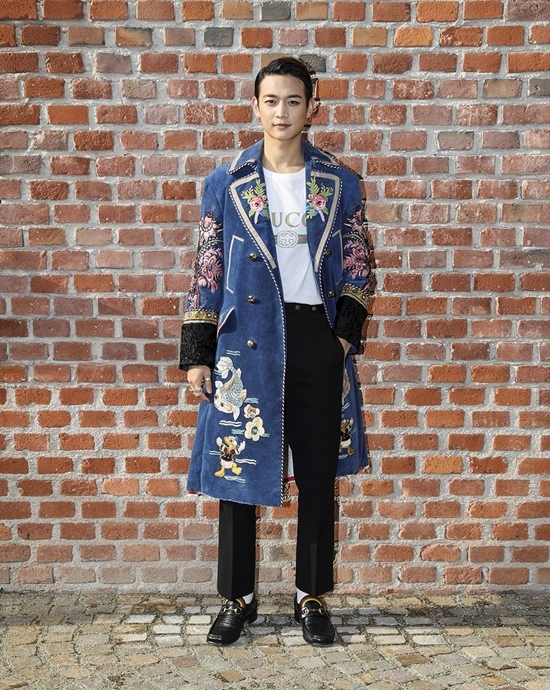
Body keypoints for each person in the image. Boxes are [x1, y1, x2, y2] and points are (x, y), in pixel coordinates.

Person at [179, 57, 372, 647]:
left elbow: (359, 265)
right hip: (246, 341)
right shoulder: (226, 181)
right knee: (237, 468)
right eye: (271, 100)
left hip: (316, 336)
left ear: (312, 108)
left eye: (293, 100)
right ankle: (237, 598)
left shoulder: (339, 181)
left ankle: (310, 594)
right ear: (255, 107)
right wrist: (198, 352)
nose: (281, 111)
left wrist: (342, 339)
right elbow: (208, 268)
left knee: (316, 473)